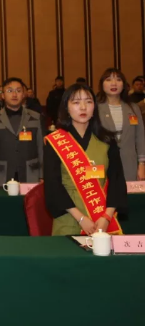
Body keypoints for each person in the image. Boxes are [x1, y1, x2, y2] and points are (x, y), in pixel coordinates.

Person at [44, 84, 127, 235]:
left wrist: (107, 217)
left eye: (88, 102)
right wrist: (81, 218)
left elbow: (117, 181)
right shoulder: (55, 141)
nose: (83, 107)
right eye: (76, 102)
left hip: (102, 218)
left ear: (94, 107)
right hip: (69, 218)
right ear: (66, 108)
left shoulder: (107, 140)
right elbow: (53, 185)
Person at [0, 77, 44, 188]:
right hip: (2, 176)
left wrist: (42, 175)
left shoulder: (36, 118)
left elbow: (41, 148)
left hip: (31, 174)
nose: (14, 94)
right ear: (3, 95)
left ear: (24, 94)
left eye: (18, 90)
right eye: (10, 91)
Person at [95, 68, 145, 181]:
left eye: (118, 79)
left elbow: (140, 137)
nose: (114, 83)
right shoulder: (95, 108)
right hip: (102, 163)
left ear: (124, 84)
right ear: (102, 84)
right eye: (108, 79)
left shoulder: (133, 108)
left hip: (129, 163)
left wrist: (142, 164)